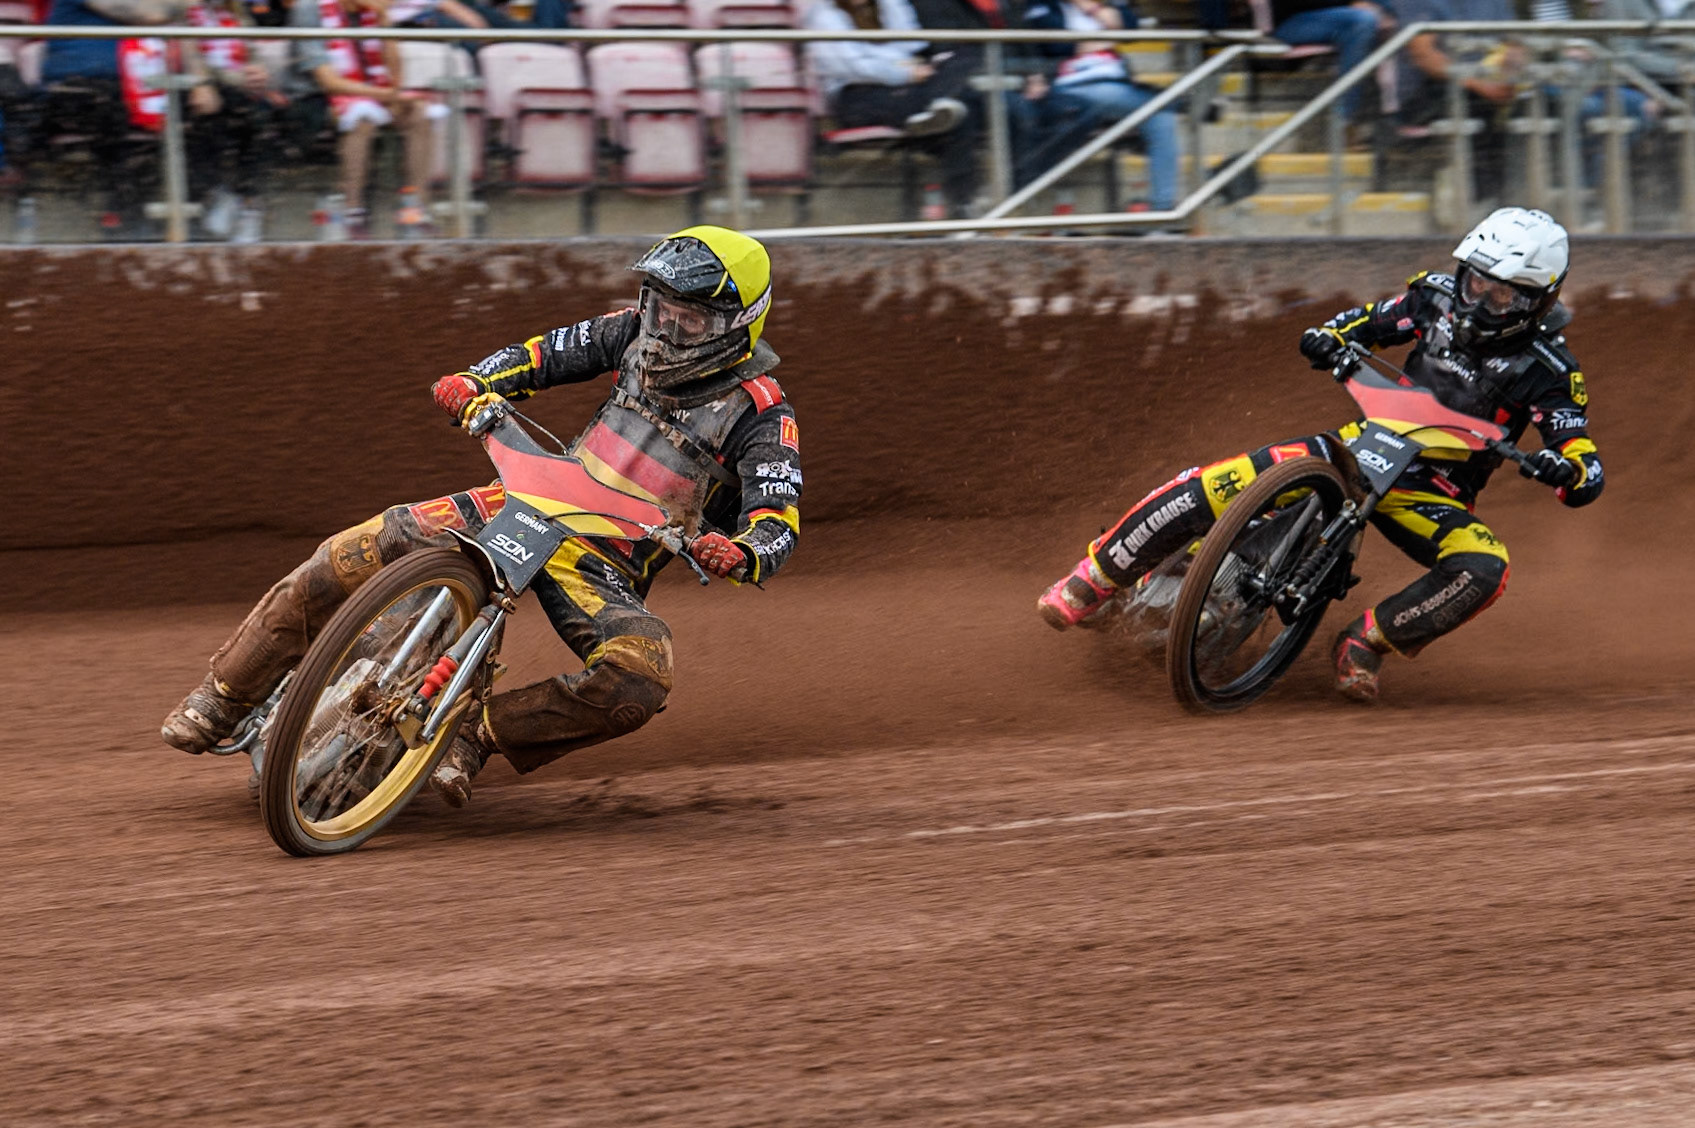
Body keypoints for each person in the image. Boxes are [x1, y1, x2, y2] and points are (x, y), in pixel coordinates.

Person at [162, 226, 803, 807]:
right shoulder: (628, 330)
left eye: (687, 320)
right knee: (354, 549)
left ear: (736, 323)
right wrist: (476, 381)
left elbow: (777, 521)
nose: (664, 329)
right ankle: (226, 696)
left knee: (641, 675)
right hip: (530, 500)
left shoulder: (764, 413)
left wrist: (741, 552)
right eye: (657, 306)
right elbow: (544, 354)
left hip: (605, 560)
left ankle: (477, 733)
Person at [1036, 207, 1603, 702]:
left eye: (1501, 293)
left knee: (1486, 567)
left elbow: (1580, 456)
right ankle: (1096, 579)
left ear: (1540, 298)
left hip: (1432, 492)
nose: (1479, 299)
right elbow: (1364, 322)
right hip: (1361, 447)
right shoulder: (1433, 299)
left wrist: (1568, 470)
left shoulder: (1551, 372)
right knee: (1228, 478)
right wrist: (1329, 336)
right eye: (1475, 283)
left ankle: (1366, 641)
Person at [288, 0, 434, 237]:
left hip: (371, 92)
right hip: (315, 97)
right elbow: (327, 82)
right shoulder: (308, 7)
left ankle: (416, 210)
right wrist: (386, 95)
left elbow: (396, 75)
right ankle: (352, 212)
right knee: (362, 117)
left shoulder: (373, 12)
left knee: (418, 111)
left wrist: (383, 19)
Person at [1020, 0, 1180, 210]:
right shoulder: (1045, 5)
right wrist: (1098, 38)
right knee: (1160, 105)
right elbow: (1055, 45)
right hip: (1074, 85)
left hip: (1117, 84)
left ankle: (1162, 212)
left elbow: (1131, 27)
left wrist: (1092, 8)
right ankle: (1183, 103)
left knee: (1162, 117)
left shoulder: (1103, 3)